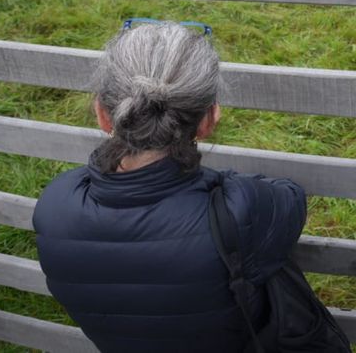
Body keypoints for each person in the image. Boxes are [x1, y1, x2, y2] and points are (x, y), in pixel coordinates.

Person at [33, 21, 308, 352]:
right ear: (208, 120)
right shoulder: (239, 209)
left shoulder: (55, 205)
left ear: (103, 116)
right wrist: (221, 184)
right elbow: (290, 197)